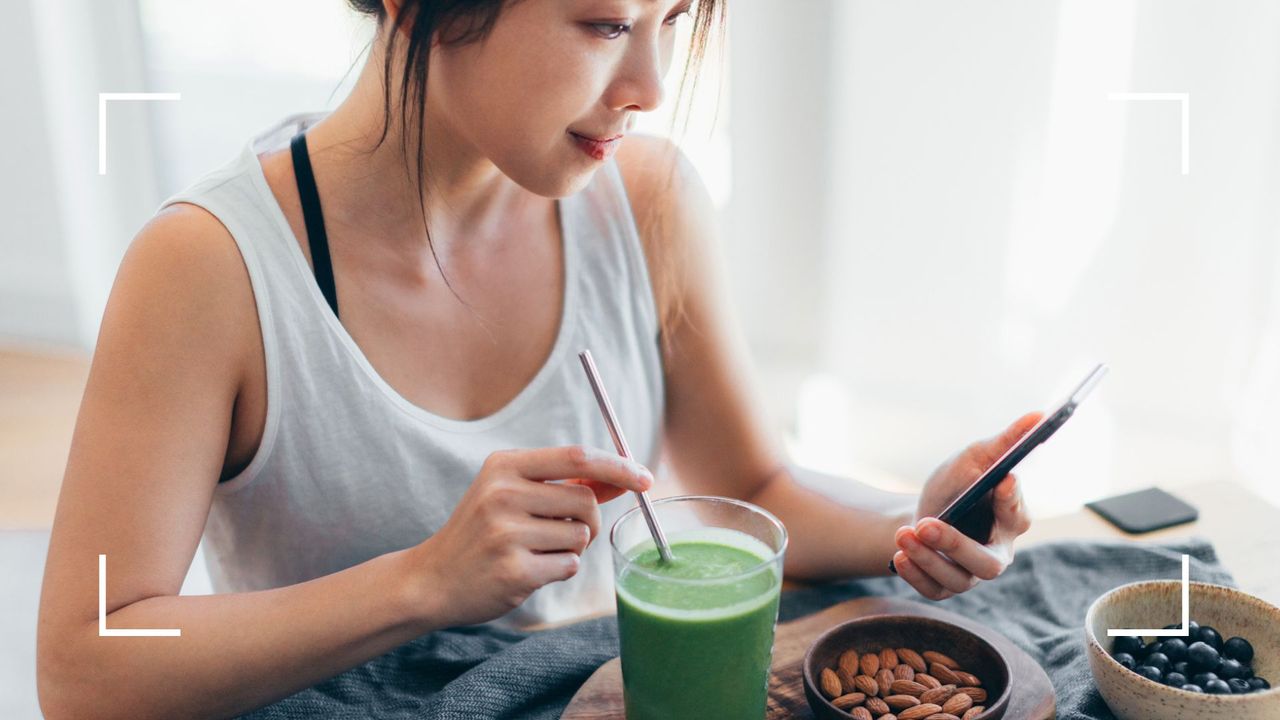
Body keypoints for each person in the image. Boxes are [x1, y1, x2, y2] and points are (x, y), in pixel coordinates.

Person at [36, 1, 1042, 717]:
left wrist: (910, 526)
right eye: (606, 24)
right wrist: (426, 582)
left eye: (675, 21)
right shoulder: (209, 267)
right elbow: (86, 666)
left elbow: (749, 487)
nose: (648, 88)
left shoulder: (645, 202)